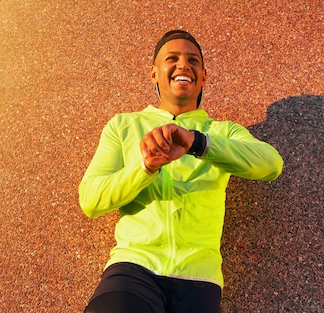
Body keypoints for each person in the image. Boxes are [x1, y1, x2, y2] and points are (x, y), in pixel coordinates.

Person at [79, 30, 283, 313]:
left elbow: (272, 165)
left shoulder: (223, 132)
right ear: (154, 74)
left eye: (193, 60)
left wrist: (198, 143)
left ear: (204, 76)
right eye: (172, 58)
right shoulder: (122, 126)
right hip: (133, 269)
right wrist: (145, 167)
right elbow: (91, 200)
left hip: (199, 278)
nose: (184, 65)